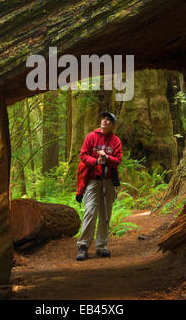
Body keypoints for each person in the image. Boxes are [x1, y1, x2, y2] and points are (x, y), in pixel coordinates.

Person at [75, 111, 122, 261]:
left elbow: (118, 160)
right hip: (93, 180)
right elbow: (83, 155)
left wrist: (107, 157)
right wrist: (96, 161)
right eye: (104, 119)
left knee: (105, 214)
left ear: (113, 125)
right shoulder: (91, 137)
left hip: (108, 181)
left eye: (109, 120)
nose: (105, 122)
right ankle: (83, 246)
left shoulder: (116, 141)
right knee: (90, 210)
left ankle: (101, 246)